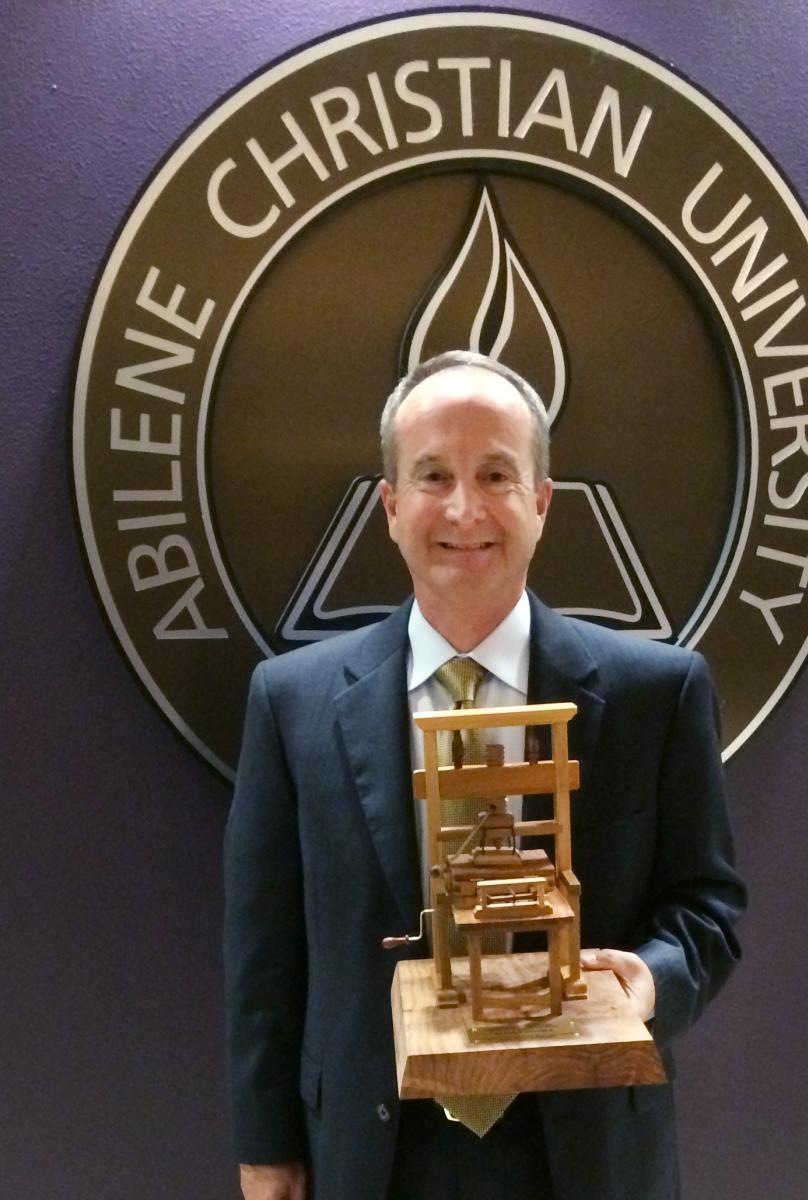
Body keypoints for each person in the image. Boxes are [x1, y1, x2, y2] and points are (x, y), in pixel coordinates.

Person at [224, 350, 746, 1200]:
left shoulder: (660, 693)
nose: (464, 508)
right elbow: (265, 952)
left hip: (587, 1157)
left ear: (541, 505)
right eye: (432, 475)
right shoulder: (292, 702)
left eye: (496, 474)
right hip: (372, 1153)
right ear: (391, 507)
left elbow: (709, 908)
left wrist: (647, 981)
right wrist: (265, 1147)